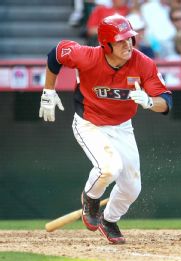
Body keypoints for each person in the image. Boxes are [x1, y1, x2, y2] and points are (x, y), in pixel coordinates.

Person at [38, 14, 172, 244]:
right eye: (120, 40)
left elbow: (166, 103)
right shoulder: (87, 56)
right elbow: (56, 54)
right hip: (89, 123)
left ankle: (108, 220)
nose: (127, 44)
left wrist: (150, 102)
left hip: (122, 127)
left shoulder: (143, 63)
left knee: (132, 189)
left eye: (129, 38)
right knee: (109, 168)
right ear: (105, 44)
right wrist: (49, 91)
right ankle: (90, 199)